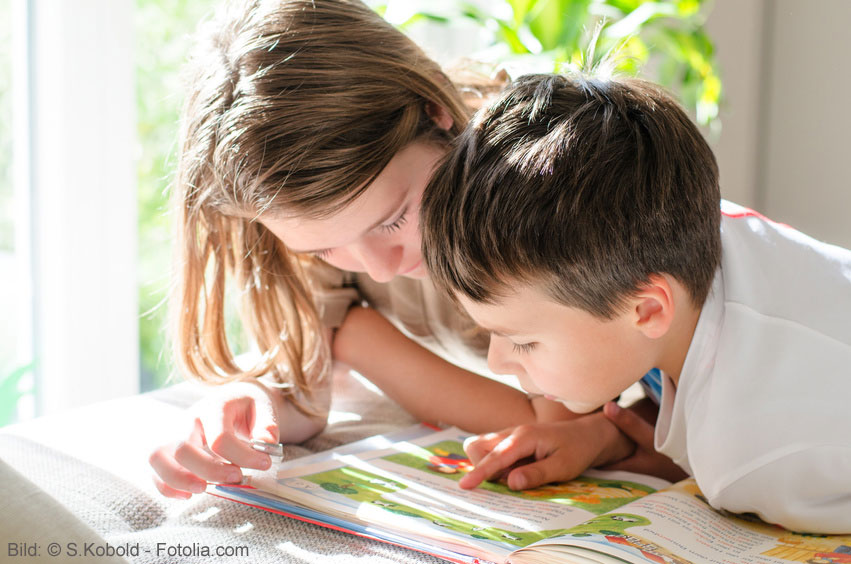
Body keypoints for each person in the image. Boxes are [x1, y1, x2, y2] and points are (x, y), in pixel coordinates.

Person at [149, 0, 655, 500]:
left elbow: (557, 416)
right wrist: (250, 403)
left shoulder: (527, 184)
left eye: (393, 219)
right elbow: (307, 384)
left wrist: (358, 339)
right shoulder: (310, 200)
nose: (380, 267)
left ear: (435, 111)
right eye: (324, 250)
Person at [419, 71, 851, 533]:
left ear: (648, 310)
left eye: (522, 342)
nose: (498, 361)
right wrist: (605, 436)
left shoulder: (752, 459)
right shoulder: (688, 230)